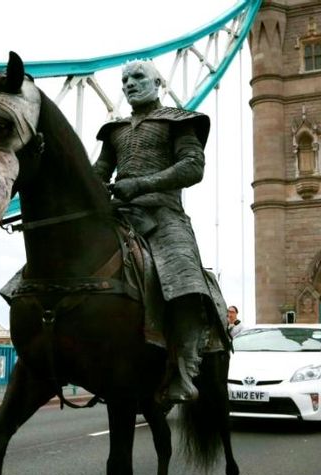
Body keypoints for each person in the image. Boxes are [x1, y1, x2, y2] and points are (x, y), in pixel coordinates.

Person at [92, 60, 224, 404]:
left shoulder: (178, 121)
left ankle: (184, 368)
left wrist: (141, 185)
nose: (129, 84)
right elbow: (100, 172)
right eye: (124, 80)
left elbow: (193, 167)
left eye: (137, 77)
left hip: (164, 214)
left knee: (185, 280)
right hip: (119, 213)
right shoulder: (114, 130)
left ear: (158, 83)